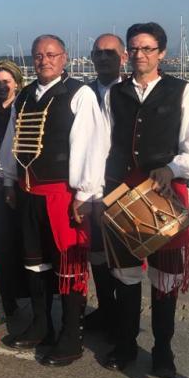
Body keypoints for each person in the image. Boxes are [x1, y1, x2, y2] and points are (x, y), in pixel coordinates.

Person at [101, 22, 189, 378]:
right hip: (121, 194)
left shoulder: (182, 92)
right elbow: (103, 145)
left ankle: (163, 350)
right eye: (133, 49)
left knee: (165, 279)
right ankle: (126, 343)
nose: (139, 55)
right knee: (126, 276)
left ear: (162, 52)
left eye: (147, 48)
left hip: (164, 193)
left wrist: (172, 167)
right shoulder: (114, 93)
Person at [0, 35, 105, 367]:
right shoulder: (26, 95)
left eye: (51, 55)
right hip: (29, 192)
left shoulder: (79, 93)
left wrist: (85, 194)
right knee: (35, 263)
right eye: (38, 56)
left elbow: (91, 145)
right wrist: (8, 179)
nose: (44, 60)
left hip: (64, 195)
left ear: (64, 58)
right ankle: (42, 325)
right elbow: (10, 141)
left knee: (69, 267)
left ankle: (71, 335)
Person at [83, 34, 128, 338]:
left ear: (123, 56)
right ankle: (106, 309)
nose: (103, 58)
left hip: (122, 185)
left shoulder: (130, 93)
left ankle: (124, 321)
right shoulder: (83, 93)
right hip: (90, 186)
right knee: (96, 252)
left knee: (123, 259)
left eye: (110, 53)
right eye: (98, 53)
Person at [0, 60, 27, 317]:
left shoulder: (23, 106)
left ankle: (18, 294)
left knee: (17, 242)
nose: (0, 86)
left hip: (19, 178)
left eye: (5, 82)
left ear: (16, 83)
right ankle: (2, 297)